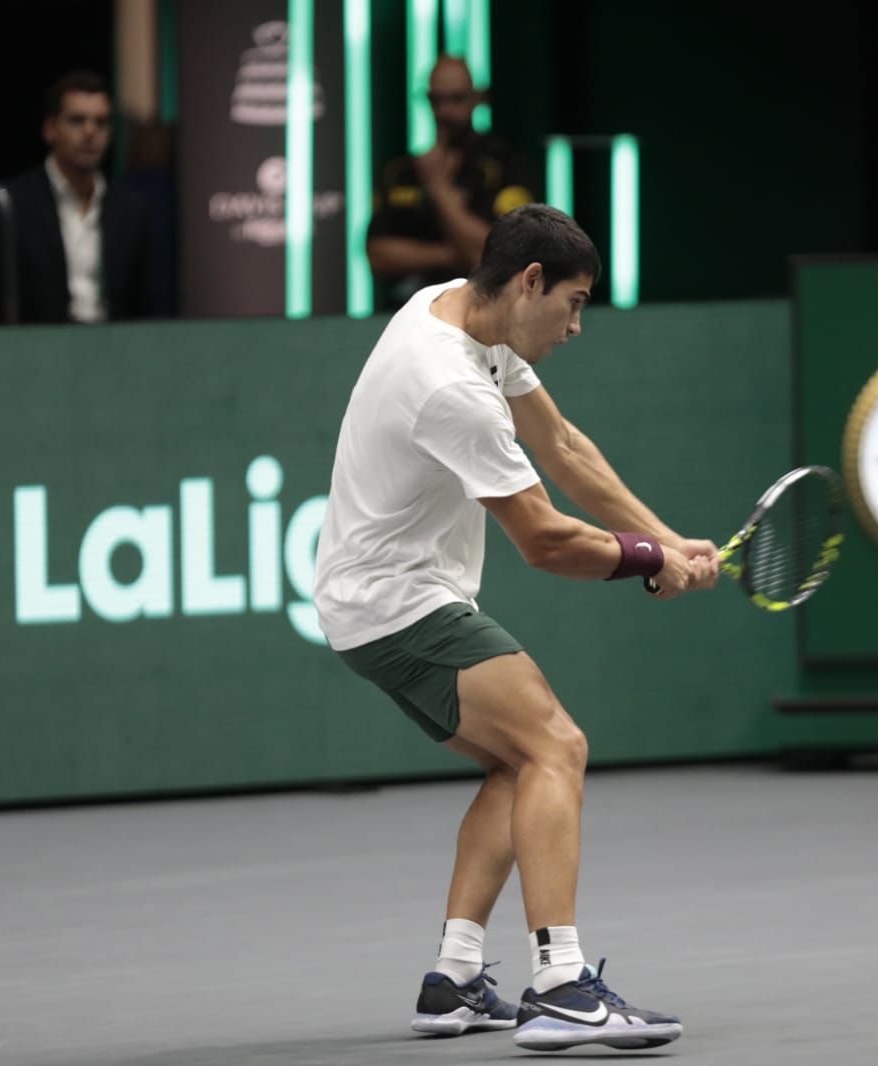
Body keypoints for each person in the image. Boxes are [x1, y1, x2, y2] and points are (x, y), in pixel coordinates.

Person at [314, 204, 719, 1052]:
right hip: (397, 603)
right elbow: (542, 540)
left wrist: (664, 538)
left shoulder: (460, 307)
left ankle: (453, 980)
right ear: (528, 282)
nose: (575, 327)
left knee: (519, 764)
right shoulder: (451, 385)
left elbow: (563, 446)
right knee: (555, 746)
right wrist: (646, 561)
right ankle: (562, 985)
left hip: (380, 597)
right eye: (571, 304)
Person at [366, 56, 535, 310]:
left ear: (477, 98)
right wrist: (452, 254)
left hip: (484, 314)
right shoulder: (400, 171)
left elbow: (498, 256)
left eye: (456, 99)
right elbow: (377, 255)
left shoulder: (506, 165)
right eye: (437, 100)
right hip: (410, 313)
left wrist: (439, 189)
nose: (445, 111)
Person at [6, 70, 157, 324]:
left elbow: (143, 304)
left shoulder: (130, 207)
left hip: (114, 349)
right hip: (35, 350)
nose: (90, 132)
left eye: (101, 122)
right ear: (50, 129)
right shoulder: (14, 203)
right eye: (77, 120)